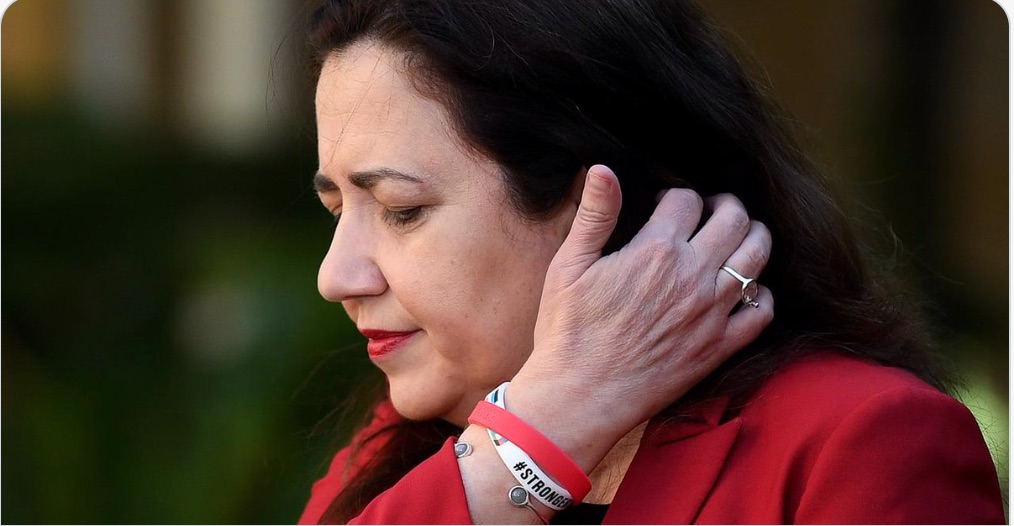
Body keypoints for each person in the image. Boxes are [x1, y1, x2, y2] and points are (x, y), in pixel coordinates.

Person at [297, 0, 1005, 523]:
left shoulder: (860, 442)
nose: (337, 276)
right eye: (336, 210)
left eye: (400, 209)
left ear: (601, 200)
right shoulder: (397, 454)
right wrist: (535, 438)